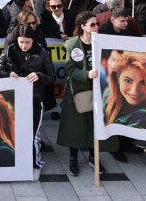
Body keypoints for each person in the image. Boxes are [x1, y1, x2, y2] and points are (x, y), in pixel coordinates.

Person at [57, 11, 117, 176]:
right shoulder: (72, 45)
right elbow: (69, 69)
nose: (96, 27)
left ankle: (93, 156)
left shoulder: (103, 42)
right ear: (82, 26)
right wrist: (86, 75)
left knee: (95, 125)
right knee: (75, 127)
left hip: (99, 91)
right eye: (92, 24)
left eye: (97, 24)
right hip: (78, 92)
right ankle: (73, 158)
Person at [0, 24, 55, 178]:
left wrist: (39, 76)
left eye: (27, 42)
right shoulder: (9, 51)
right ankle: (14, 162)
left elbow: (52, 77)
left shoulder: (42, 53)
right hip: (12, 99)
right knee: (12, 132)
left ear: (33, 40)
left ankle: (35, 163)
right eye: (21, 42)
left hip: (34, 98)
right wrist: (8, 74)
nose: (24, 45)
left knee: (33, 133)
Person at [103, 51, 146, 130]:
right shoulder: (112, 104)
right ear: (118, 78)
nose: (134, 91)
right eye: (128, 81)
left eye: (143, 83)